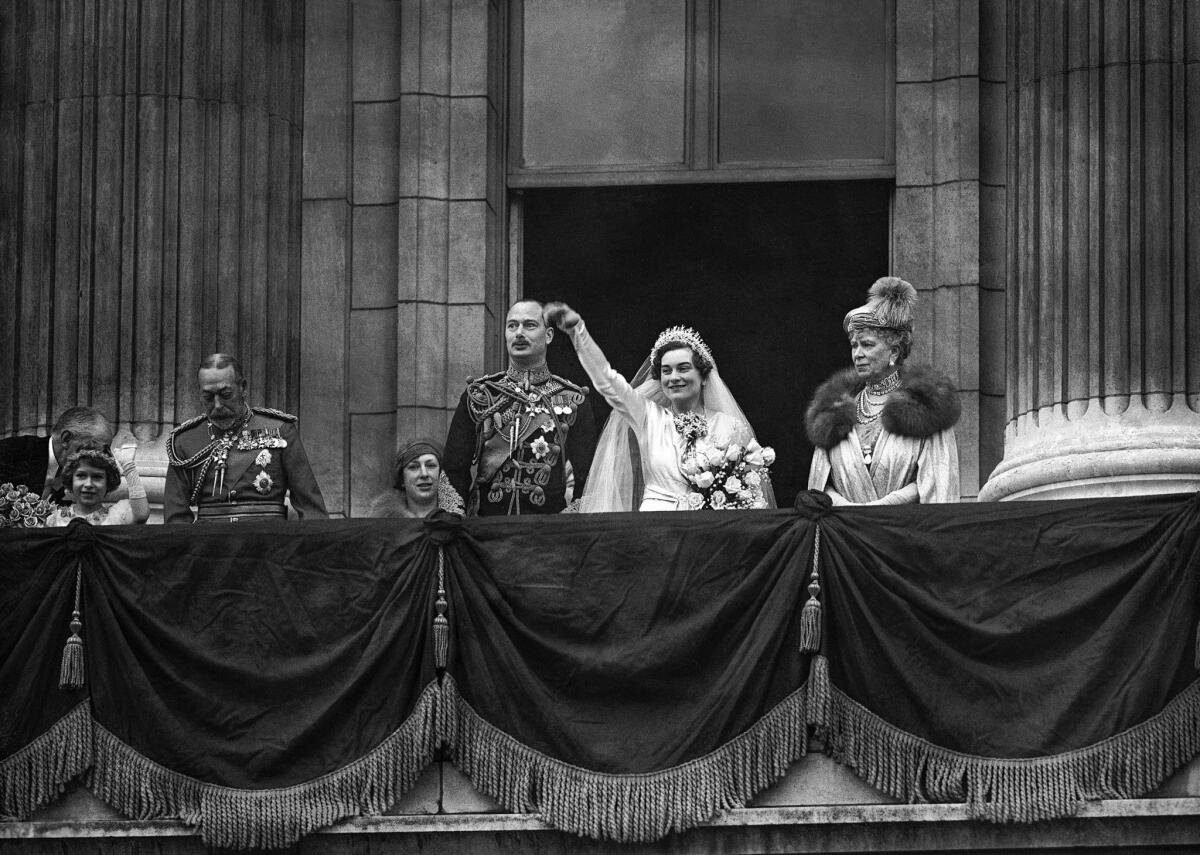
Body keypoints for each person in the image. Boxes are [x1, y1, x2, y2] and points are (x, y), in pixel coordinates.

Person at [544, 302, 772, 512]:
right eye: (666, 370)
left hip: (710, 535)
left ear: (703, 376)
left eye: (683, 368)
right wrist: (578, 332)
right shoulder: (649, 417)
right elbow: (607, 379)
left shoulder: (729, 425)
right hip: (654, 529)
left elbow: (749, 493)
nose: (674, 377)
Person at [805, 276, 960, 504]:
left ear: (894, 352)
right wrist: (846, 508)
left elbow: (938, 484)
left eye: (867, 345)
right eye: (854, 345)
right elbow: (819, 487)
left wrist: (887, 505)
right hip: (843, 533)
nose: (857, 354)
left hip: (902, 533)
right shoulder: (834, 412)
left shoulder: (927, 409)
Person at [443, 300, 597, 515]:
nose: (519, 333)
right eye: (512, 326)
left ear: (549, 335)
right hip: (486, 529)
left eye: (530, 325)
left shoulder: (573, 400)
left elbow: (588, 476)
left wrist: (570, 524)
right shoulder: (480, 396)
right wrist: (453, 519)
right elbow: (454, 469)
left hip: (547, 533)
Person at [164, 353, 329, 524]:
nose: (218, 405)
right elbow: (176, 520)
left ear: (243, 387)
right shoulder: (185, 441)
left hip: (269, 544)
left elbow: (312, 511)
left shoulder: (280, 430)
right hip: (210, 547)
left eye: (226, 394)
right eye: (208, 397)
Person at [0, 407, 114, 502]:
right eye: (89, 450)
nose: (95, 459)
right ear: (66, 439)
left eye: (102, 452)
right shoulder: (11, 452)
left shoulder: (75, 474)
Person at [45, 443, 149, 526]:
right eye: (81, 475)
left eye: (97, 477)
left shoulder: (116, 516)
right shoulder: (54, 519)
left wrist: (129, 467)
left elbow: (141, 516)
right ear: (71, 480)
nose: (89, 484)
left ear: (108, 483)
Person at [365, 439, 464, 518]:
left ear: (441, 475)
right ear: (402, 479)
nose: (424, 474)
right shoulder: (384, 523)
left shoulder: (457, 520)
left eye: (431, 466)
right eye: (414, 467)